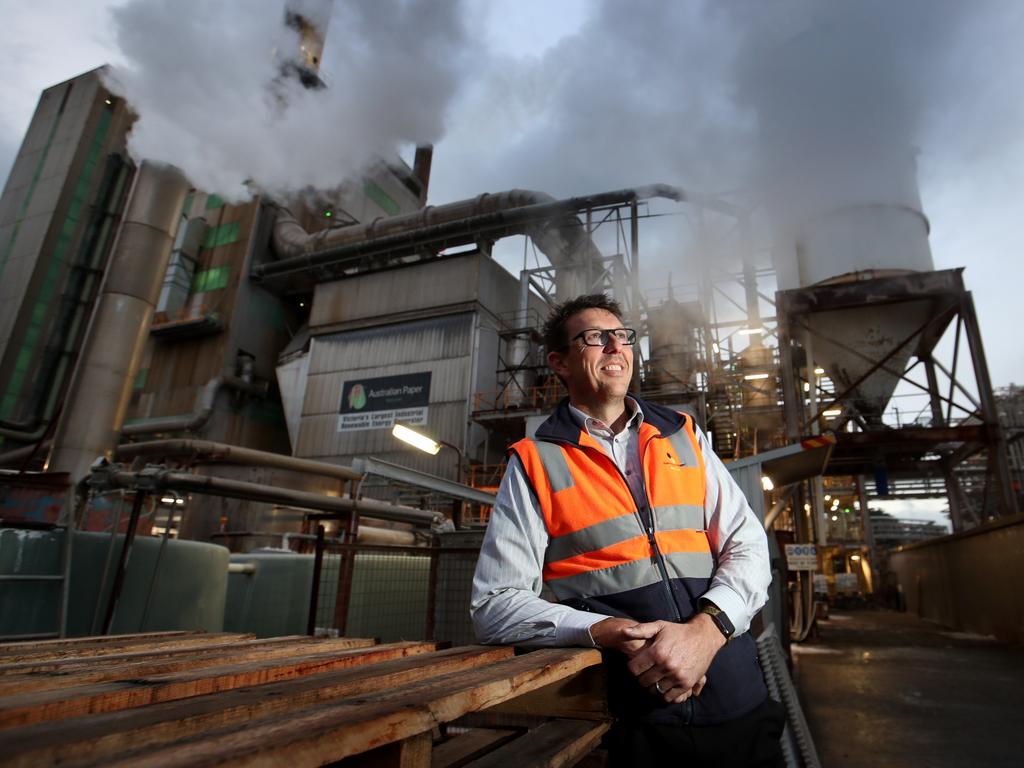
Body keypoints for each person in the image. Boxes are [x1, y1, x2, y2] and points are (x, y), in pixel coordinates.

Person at [471, 294, 785, 766]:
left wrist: (708, 630)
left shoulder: (684, 434)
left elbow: (747, 544)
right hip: (635, 721)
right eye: (594, 338)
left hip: (737, 704)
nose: (615, 346)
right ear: (559, 363)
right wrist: (603, 629)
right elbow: (495, 607)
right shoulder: (535, 462)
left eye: (622, 336)